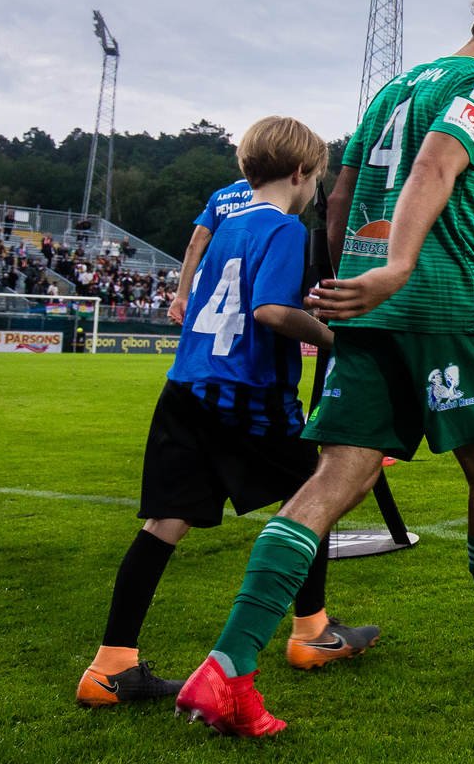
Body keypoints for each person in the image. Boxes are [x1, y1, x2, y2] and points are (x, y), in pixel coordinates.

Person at [174, 0, 474, 739]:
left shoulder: (394, 87)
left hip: (368, 313)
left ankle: (227, 667)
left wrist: (350, 281)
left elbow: (338, 197)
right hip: (449, 308)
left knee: (331, 482)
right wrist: (395, 265)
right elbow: (436, 163)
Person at [77, 117, 376, 708]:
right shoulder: (285, 229)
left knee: (165, 522)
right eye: (317, 176)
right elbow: (267, 312)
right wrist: (335, 338)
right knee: (319, 494)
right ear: (300, 173)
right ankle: (312, 631)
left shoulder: (227, 225)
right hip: (246, 394)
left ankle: (110, 667)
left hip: (186, 386)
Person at [169, 178, 255, 325]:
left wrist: (181, 296)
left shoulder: (220, 196)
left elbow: (194, 246)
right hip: (251, 284)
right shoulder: (274, 195)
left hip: (215, 288)